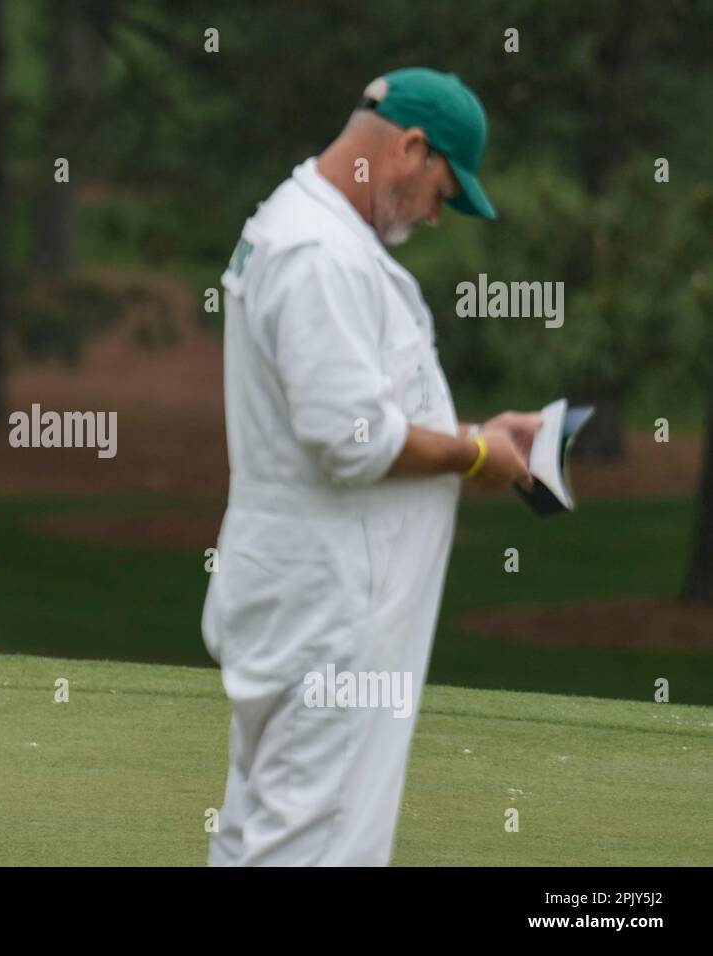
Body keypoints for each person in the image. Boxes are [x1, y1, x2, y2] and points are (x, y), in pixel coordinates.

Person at [202, 67, 541, 865]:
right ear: (411, 147)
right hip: (332, 611)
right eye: (443, 192)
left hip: (308, 593)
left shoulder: (307, 230)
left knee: (263, 834)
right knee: (316, 844)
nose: (435, 216)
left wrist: (476, 434)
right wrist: (477, 453)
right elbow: (350, 438)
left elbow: (360, 409)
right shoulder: (320, 254)